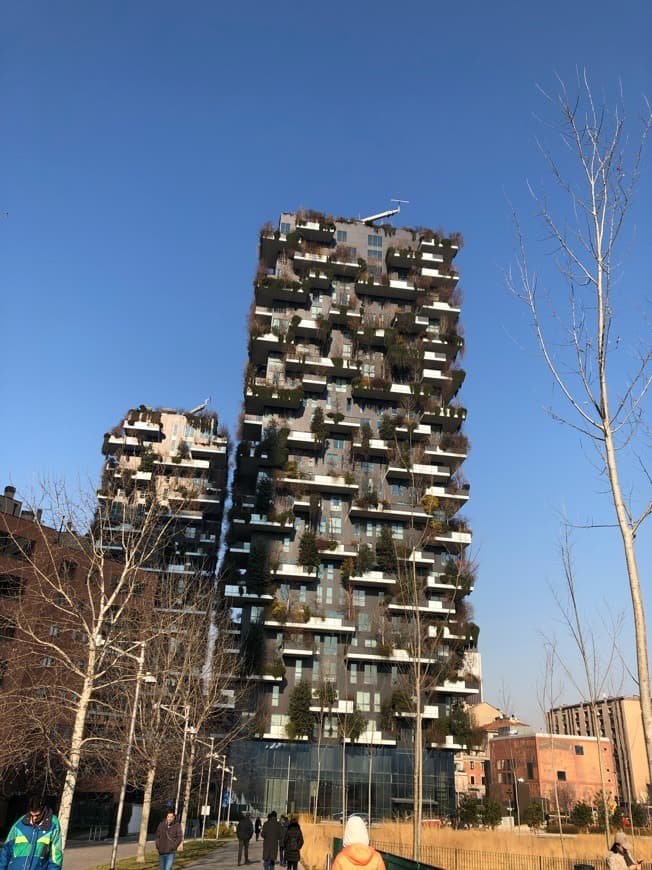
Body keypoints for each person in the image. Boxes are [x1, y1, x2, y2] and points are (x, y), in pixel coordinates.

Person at [0, 794, 62, 870]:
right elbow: (6, 850)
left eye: (37, 815)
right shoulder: (19, 824)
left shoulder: (53, 825)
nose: (34, 818)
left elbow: (56, 857)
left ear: (43, 810)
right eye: (32, 815)